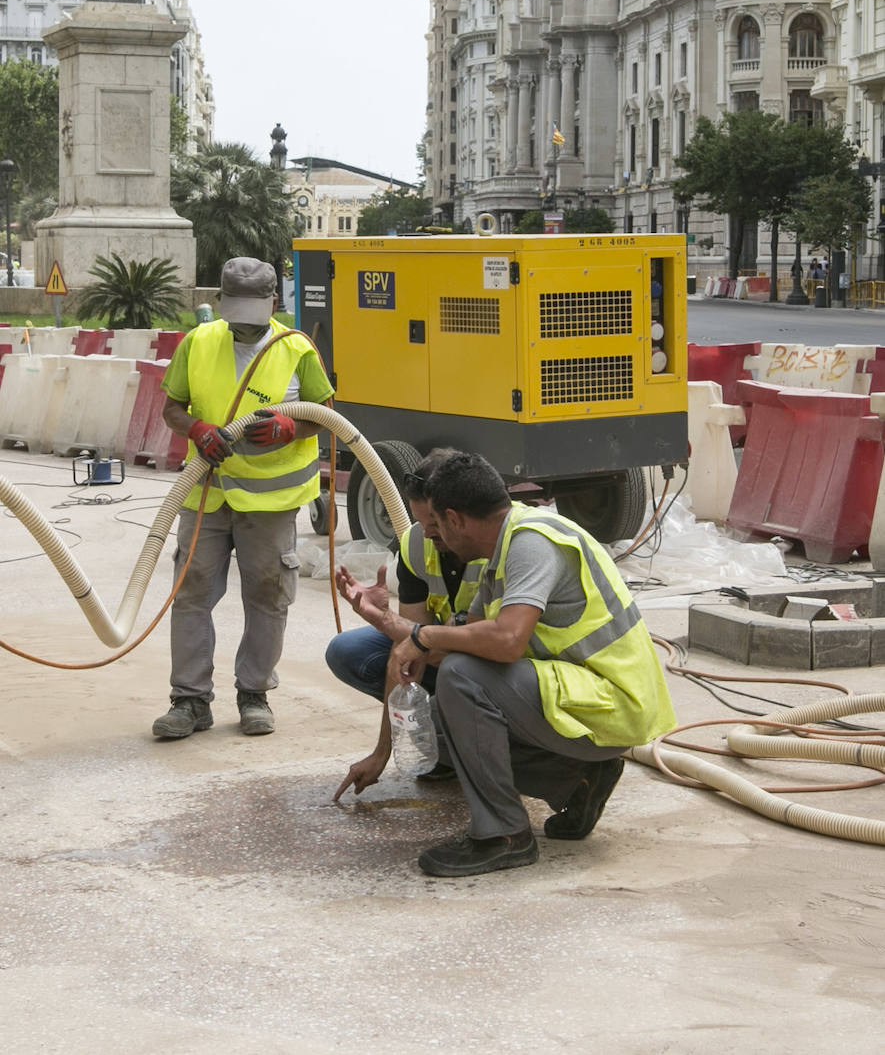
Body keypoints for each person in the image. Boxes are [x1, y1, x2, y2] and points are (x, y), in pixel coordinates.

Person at [337, 451, 677, 878]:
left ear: (456, 519)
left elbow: (508, 640)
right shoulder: (503, 546)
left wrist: (424, 637)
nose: (434, 538)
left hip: (614, 705)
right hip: (583, 701)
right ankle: (574, 779)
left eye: (437, 526)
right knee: (436, 720)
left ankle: (504, 834)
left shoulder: (532, 544)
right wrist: (392, 627)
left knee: (462, 677)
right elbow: (467, 632)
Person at [152, 256, 333, 740]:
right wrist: (197, 428)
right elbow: (172, 407)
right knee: (190, 594)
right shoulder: (199, 342)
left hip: (271, 503)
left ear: (272, 303)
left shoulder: (295, 349)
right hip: (207, 492)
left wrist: (293, 426)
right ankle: (189, 701)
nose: (242, 321)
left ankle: (254, 693)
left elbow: (326, 415)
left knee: (268, 596)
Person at [327, 449, 486, 799]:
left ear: (457, 514)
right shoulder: (416, 543)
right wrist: (383, 751)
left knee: (460, 668)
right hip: (447, 649)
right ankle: (438, 743)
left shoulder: (496, 543)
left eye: (435, 523)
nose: (429, 533)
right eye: (421, 523)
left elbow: (489, 644)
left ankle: (472, 746)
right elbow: (410, 648)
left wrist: (414, 637)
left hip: (492, 660)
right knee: (347, 651)